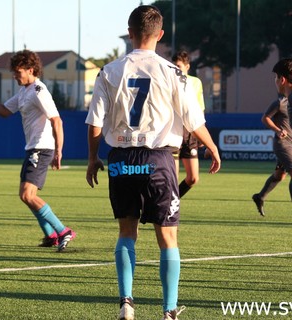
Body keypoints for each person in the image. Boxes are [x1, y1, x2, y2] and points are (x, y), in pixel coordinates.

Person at [85, 5, 221, 320]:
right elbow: (193, 120)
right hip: (159, 159)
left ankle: (126, 304)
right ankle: (169, 310)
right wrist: (212, 147)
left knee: (126, 233)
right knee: (168, 237)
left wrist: (93, 158)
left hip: (121, 159)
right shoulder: (174, 72)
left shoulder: (109, 71)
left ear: (130, 33)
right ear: (159, 36)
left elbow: (94, 123)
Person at [0, 49, 76, 252]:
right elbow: (4, 111)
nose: (14, 76)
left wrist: (59, 150)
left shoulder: (39, 91)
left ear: (30, 70)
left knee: (28, 195)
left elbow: (57, 120)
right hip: (33, 149)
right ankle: (51, 236)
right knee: (25, 196)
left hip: (41, 148)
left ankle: (62, 231)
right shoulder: (24, 92)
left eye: (18, 72)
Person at [172, 50, 206, 197]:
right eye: (173, 66)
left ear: (187, 67)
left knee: (193, 178)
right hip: (172, 131)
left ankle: (171, 201)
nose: (175, 69)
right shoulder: (169, 81)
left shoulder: (195, 82)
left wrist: (202, 134)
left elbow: (200, 110)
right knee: (172, 178)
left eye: (178, 66)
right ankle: (168, 207)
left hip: (190, 131)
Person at [252, 96, 292, 216]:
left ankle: (260, 197)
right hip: (283, 144)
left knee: (279, 175)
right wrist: (278, 130)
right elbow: (265, 118)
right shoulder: (280, 102)